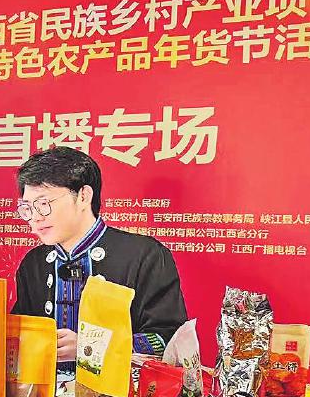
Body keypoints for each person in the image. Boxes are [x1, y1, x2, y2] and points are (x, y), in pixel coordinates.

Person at [11, 147, 187, 363]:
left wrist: (91, 346)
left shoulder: (145, 255)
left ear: (83, 196)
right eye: (27, 208)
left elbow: (168, 340)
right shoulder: (33, 263)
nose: (35, 217)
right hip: (44, 384)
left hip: (120, 385)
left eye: (43, 204)